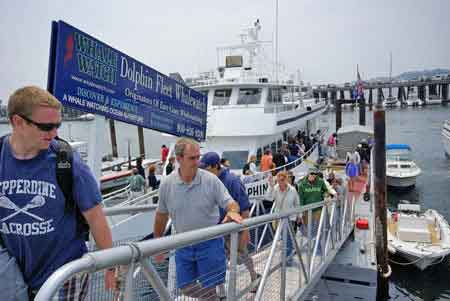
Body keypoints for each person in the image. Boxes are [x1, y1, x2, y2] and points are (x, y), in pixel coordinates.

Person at [0, 86, 115, 299]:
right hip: (13, 277)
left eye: (57, 126)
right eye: (46, 127)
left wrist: (111, 265)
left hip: (64, 275)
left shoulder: (65, 160)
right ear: (18, 122)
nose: (54, 133)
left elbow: (95, 217)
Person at [153, 138, 243, 300]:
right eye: (192, 158)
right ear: (179, 159)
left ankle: (211, 297)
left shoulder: (210, 180)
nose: (197, 162)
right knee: (186, 287)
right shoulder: (167, 184)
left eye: (198, 157)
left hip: (210, 243)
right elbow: (161, 215)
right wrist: (158, 243)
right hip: (183, 243)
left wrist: (232, 211)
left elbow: (232, 204)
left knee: (210, 287)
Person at [199, 152, 260, 293]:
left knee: (243, 254)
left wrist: (245, 231)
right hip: (217, 228)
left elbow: (244, 207)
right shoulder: (209, 180)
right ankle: (220, 292)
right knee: (217, 260)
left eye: (205, 168)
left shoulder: (232, 180)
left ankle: (253, 277)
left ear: (215, 166)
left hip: (234, 227)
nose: (202, 171)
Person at [298, 167, 335, 255]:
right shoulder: (302, 184)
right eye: (311, 174)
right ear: (308, 174)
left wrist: (326, 196)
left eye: (314, 174)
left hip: (318, 210)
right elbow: (301, 199)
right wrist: (301, 213)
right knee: (308, 229)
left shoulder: (321, 182)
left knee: (319, 229)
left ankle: (318, 247)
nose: (313, 176)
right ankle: (311, 244)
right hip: (307, 211)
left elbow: (325, 191)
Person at [267, 171, 300, 266]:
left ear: (286, 180)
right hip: (279, 218)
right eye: (278, 180)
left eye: (282, 180)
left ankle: (287, 259)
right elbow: (269, 198)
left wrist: (299, 216)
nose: (280, 182)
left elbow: (297, 203)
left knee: (288, 239)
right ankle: (286, 257)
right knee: (284, 238)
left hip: (290, 218)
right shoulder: (275, 188)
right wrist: (271, 186)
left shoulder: (292, 190)